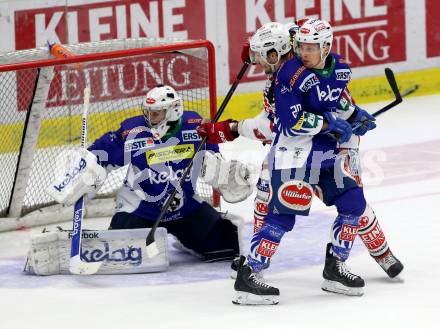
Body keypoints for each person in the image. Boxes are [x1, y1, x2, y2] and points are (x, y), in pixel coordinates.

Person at [198, 20, 402, 305]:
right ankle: (252, 270)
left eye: (309, 47)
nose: (303, 52)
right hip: (294, 154)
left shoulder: (330, 70)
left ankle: (343, 265)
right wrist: (329, 123)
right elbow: (288, 123)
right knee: (281, 212)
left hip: (330, 150)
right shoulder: (289, 75)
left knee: (354, 203)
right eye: (300, 46)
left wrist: (356, 116)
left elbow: (339, 102)